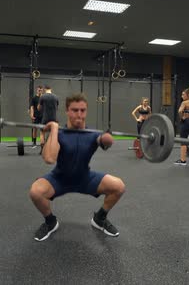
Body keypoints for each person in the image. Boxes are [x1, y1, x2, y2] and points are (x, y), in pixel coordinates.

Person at [29, 93, 126, 241]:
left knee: (119, 186)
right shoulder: (59, 133)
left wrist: (107, 139)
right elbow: (49, 158)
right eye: (75, 110)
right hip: (59, 179)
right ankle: (50, 222)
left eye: (83, 110)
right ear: (67, 111)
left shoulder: (93, 134)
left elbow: (103, 140)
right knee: (36, 192)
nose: (79, 114)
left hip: (85, 178)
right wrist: (54, 129)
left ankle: (100, 218)